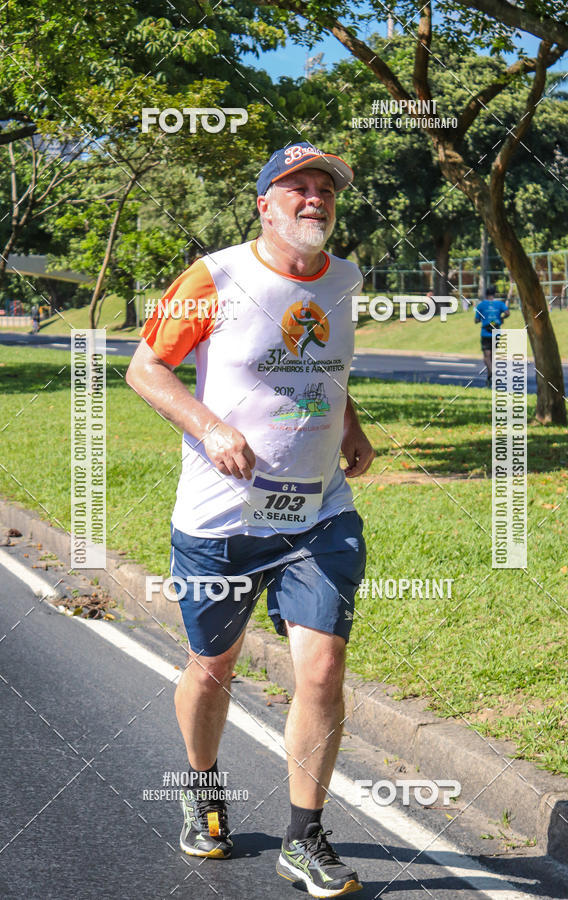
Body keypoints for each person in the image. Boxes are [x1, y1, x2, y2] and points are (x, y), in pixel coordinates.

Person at [126, 141, 374, 898]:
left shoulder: (345, 279)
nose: (314, 199)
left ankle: (305, 837)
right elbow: (145, 367)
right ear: (265, 204)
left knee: (322, 668)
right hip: (221, 518)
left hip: (318, 510)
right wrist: (210, 429)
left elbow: (326, 369)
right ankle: (202, 788)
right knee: (214, 666)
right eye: (297, 187)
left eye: (325, 188)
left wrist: (351, 424)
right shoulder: (216, 277)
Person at [474, 287, 510, 386]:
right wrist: (502, 318)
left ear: (486, 294)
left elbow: (476, 320)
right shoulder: (500, 304)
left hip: (486, 332)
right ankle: (490, 377)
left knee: (487, 357)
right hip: (496, 332)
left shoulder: (481, 305)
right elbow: (507, 313)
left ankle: (492, 375)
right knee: (492, 355)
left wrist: (480, 319)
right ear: (494, 294)